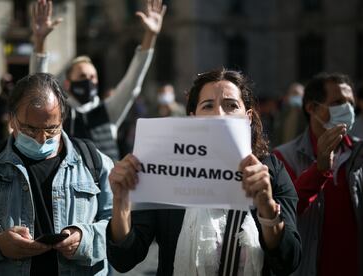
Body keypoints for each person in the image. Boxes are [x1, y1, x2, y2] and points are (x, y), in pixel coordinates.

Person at [106, 68, 301, 275]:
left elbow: (289, 260)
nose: (219, 114)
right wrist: (121, 201)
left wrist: (267, 208)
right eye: (208, 106)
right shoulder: (166, 173)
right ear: (194, 118)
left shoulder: (269, 172)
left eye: (231, 106)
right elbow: (124, 258)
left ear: (248, 117)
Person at [0, 73, 113, 275]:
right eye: (29, 129)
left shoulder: (94, 162)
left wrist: (86, 239)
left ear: (63, 119)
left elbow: (120, 232)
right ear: (11, 119)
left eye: (51, 129)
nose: (41, 139)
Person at [30, 0, 166, 161]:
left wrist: (150, 36)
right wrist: (40, 41)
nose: (89, 81)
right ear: (67, 83)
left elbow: (132, 82)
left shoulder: (109, 111)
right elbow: (38, 88)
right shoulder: (59, 114)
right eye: (82, 76)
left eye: (93, 77)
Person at [273, 73, 363, 276]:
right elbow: (285, 211)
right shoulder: (283, 157)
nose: (348, 109)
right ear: (312, 107)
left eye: (351, 103)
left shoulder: (359, 153)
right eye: (338, 102)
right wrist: (319, 170)